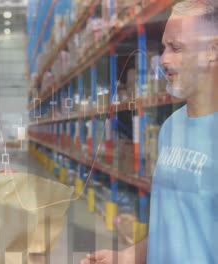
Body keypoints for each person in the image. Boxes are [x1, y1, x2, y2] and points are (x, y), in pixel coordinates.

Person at [81, 0, 218, 263]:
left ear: (212, 49)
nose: (164, 60)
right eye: (164, 48)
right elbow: (169, 228)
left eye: (176, 48)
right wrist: (126, 257)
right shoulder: (170, 128)